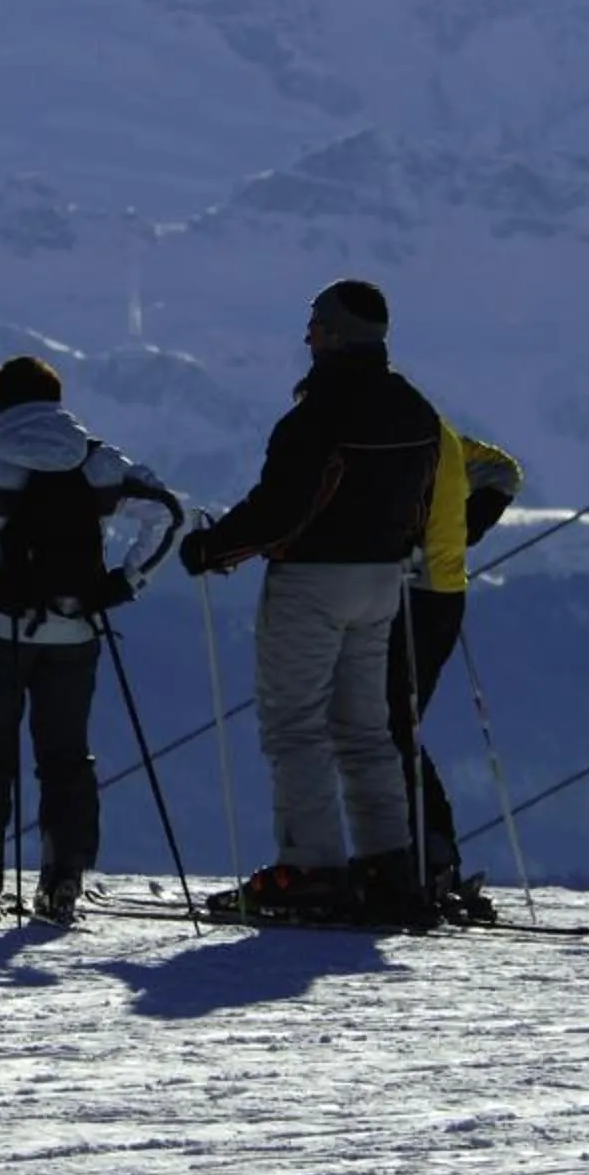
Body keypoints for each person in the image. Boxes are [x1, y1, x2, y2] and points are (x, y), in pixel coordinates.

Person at [177, 279, 445, 923]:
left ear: (336, 335)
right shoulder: (414, 409)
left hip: (312, 581)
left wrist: (213, 548)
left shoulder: (318, 414)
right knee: (366, 729)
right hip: (382, 579)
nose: (307, 336)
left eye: (316, 325)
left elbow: (283, 506)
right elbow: (425, 500)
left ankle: (312, 868)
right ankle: (390, 867)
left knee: (295, 725)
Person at [0, 355, 186, 925]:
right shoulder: (97, 462)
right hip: (77, 631)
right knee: (66, 756)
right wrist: (125, 581)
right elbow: (167, 515)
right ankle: (64, 877)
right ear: (57, 400)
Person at [391, 417, 523, 905]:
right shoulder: (433, 429)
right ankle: (428, 859)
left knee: (387, 727)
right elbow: (504, 472)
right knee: (395, 726)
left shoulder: (392, 432)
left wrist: (442, 537)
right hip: (439, 593)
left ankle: (420, 861)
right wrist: (457, 532)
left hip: (407, 594)